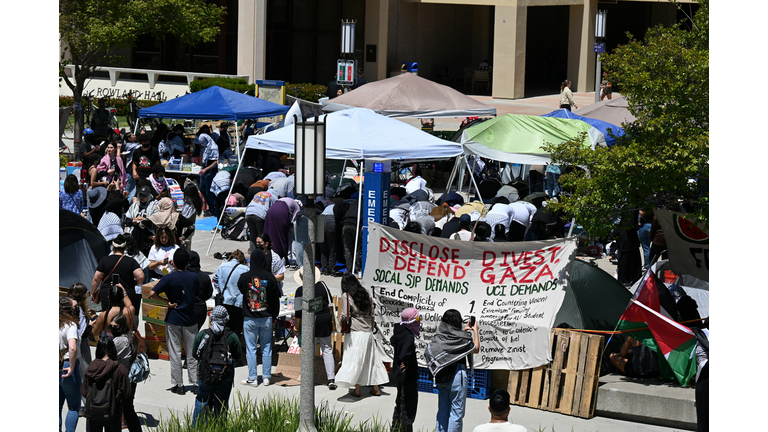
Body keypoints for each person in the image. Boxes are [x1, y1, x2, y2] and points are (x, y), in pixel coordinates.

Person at [150, 248, 200, 395]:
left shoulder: (169, 278)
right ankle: (195, 382)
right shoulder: (193, 277)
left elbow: (153, 293)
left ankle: (178, 384)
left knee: (175, 352)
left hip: (174, 318)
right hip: (190, 318)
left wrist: (166, 302)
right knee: (192, 352)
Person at [424, 308, 480, 432]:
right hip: (457, 377)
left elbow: (429, 351)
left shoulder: (439, 337)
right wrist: (475, 331)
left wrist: (464, 330)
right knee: (456, 414)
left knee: (443, 410)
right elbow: (475, 348)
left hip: (441, 376)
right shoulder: (463, 338)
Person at [335, 274, 389, 396]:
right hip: (368, 332)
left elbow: (344, 315)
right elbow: (373, 314)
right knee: (370, 359)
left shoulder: (346, 296)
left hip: (355, 331)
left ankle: (357, 389)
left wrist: (340, 325)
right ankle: (376, 388)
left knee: (355, 359)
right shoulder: (366, 294)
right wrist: (370, 327)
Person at [191, 306, 242, 427]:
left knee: (201, 399)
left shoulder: (203, 335)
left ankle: (197, 427)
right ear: (226, 319)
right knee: (222, 401)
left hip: (205, 374)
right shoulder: (232, 336)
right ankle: (219, 427)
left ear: (212, 318)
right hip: (226, 375)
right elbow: (238, 355)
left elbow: (195, 354)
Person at [237, 248, 280, 387]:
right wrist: (275, 315)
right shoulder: (270, 277)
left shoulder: (244, 277)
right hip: (266, 316)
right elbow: (275, 299)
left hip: (250, 317)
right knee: (267, 347)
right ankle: (267, 377)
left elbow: (241, 289)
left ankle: (253, 377)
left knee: (251, 348)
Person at [294, 268, 337, 389]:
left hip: (310, 321)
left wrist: (297, 327)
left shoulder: (300, 290)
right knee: (327, 349)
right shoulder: (322, 286)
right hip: (324, 318)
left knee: (309, 350)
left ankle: (307, 376)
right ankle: (331, 379)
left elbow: (298, 313)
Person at [80, 337, 131, 432]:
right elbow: (126, 392)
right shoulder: (119, 368)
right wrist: (115, 398)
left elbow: (83, 391)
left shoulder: (91, 367)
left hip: (93, 412)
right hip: (113, 412)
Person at [110, 314, 146, 432]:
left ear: (122, 326)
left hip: (122, 380)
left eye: (115, 326)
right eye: (111, 326)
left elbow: (109, 357)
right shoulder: (131, 336)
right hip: (130, 379)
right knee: (128, 409)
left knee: (118, 410)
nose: (112, 328)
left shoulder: (119, 340)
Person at [92, 235, 145, 313]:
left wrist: (93, 292)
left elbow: (96, 278)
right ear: (125, 248)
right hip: (126, 295)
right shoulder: (131, 261)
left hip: (108, 294)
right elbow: (141, 276)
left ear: (113, 247)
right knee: (125, 319)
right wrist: (134, 283)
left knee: (107, 317)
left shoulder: (104, 260)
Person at [390, 308, 421, 432]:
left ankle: (395, 428)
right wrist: (407, 362)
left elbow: (393, 341)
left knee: (399, 403)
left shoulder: (400, 331)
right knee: (407, 406)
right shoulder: (408, 336)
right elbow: (405, 354)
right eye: (417, 319)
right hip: (407, 377)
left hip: (399, 375)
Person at [67, 283, 93, 413]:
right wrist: (92, 324)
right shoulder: (78, 309)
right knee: (85, 375)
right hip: (80, 346)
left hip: (73, 345)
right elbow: (82, 332)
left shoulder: (66, 305)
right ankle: (89, 405)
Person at [213, 249, 249, 337]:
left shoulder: (222, 267)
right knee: (236, 329)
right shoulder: (245, 269)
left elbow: (215, 282)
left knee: (224, 328)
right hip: (238, 304)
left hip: (224, 302)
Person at [60, 297, 82, 432]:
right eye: (75, 306)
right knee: (73, 406)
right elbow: (72, 347)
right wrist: (72, 366)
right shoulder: (70, 325)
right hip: (68, 365)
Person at [263, 197, 301, 264]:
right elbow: (294, 221)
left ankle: (268, 253)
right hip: (281, 212)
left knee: (271, 233)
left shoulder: (286, 199)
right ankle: (280, 257)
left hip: (271, 211)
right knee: (281, 236)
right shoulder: (297, 207)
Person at [245, 187, 278, 254]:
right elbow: (273, 211)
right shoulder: (273, 197)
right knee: (262, 237)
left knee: (253, 237)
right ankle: (262, 255)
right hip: (260, 215)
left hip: (248, 213)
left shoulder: (258, 193)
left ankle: (253, 256)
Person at [188, 251, 214, 331]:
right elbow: (209, 293)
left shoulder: (184, 275)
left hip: (187, 308)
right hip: (201, 309)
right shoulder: (204, 276)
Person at [197, 125, 220, 217]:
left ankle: (212, 208)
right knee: (201, 189)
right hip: (204, 171)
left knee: (208, 191)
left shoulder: (213, 147)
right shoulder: (206, 147)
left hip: (210, 172)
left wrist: (206, 169)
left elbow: (216, 161)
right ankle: (211, 206)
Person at [180, 181, 204, 250]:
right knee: (188, 244)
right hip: (191, 227)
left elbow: (184, 217)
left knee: (185, 245)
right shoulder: (195, 202)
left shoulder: (190, 205)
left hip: (186, 228)